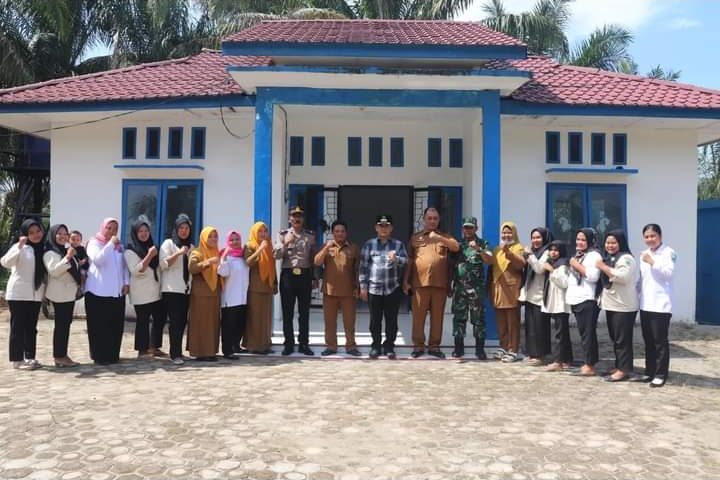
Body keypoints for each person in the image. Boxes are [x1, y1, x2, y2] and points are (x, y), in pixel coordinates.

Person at [404, 207, 460, 359]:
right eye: (429, 218)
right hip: (419, 284)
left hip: (440, 284)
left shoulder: (445, 236)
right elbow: (410, 260)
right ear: (424, 220)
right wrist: (406, 281)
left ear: (439, 220)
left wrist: (440, 239)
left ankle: (434, 346)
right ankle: (418, 346)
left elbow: (456, 247)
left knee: (437, 318)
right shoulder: (416, 238)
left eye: (435, 218)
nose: (432, 221)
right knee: (418, 317)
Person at [359, 214, 408, 359]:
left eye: (387, 226)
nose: (384, 228)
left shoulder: (398, 245)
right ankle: (376, 346)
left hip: (392, 288)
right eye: (381, 226)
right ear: (376, 228)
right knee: (375, 320)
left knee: (391, 320)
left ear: (391, 228)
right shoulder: (369, 244)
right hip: (374, 289)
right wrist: (363, 287)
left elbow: (406, 261)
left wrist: (396, 258)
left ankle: (389, 346)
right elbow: (363, 267)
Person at [1, 219, 46, 370]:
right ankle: (17, 360)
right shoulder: (20, 247)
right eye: (31, 232)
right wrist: (19, 247)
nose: (35, 235)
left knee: (31, 327)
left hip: (36, 294)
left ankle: (30, 357)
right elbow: (5, 262)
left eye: (38, 231)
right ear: (25, 234)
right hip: (18, 294)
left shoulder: (43, 248)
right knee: (18, 327)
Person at [274, 206, 317, 356]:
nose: (297, 219)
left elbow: (313, 258)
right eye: (294, 216)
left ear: (303, 219)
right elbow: (276, 256)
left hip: (305, 275)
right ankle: (289, 344)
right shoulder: (282, 235)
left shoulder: (310, 235)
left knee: (304, 312)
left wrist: (315, 277)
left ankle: (304, 343)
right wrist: (286, 243)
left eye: (299, 216)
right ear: (289, 219)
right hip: (288, 275)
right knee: (288, 312)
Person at [596, 229, 639, 382]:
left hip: (624, 306)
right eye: (607, 242)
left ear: (621, 243)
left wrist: (603, 267)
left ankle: (624, 370)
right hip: (612, 305)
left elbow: (623, 277)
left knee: (622, 339)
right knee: (615, 338)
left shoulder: (626, 258)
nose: (610, 245)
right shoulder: (610, 258)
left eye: (614, 242)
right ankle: (620, 365)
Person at [85, 218, 129, 365]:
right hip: (98, 292)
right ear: (103, 228)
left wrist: (126, 282)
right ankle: (99, 356)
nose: (111, 231)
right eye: (109, 228)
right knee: (99, 326)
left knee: (115, 325)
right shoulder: (94, 243)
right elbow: (98, 260)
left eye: (115, 229)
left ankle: (113, 354)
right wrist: (110, 244)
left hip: (116, 292)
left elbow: (124, 266)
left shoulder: (119, 247)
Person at [314, 220, 361, 357]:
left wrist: (357, 287)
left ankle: (351, 346)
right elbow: (317, 262)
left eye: (342, 231)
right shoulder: (327, 246)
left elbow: (357, 269)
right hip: (329, 291)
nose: (340, 234)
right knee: (329, 322)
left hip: (348, 291)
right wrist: (325, 249)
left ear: (346, 233)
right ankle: (331, 346)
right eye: (337, 231)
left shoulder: (353, 248)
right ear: (332, 233)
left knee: (349, 321)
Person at [638, 223, 676, 388]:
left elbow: (669, 274)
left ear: (660, 236)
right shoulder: (644, 253)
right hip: (645, 304)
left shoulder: (669, 252)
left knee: (660, 341)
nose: (650, 239)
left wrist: (652, 262)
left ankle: (661, 374)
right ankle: (650, 371)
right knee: (648, 341)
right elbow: (643, 279)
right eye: (646, 237)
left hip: (661, 304)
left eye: (653, 236)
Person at [449, 216, 492, 359]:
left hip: (476, 289)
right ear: (462, 229)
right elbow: (451, 266)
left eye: (470, 227)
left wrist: (478, 249)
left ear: (476, 228)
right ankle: (458, 349)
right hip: (460, 288)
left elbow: (490, 260)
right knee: (459, 318)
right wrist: (449, 285)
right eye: (465, 227)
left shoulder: (483, 243)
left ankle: (480, 350)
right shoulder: (458, 245)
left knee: (478, 319)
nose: (468, 230)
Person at [124, 219, 166, 360]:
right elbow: (136, 271)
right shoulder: (130, 250)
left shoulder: (153, 247)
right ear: (135, 233)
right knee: (143, 320)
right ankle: (142, 350)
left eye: (146, 231)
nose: (144, 234)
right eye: (140, 231)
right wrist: (149, 255)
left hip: (156, 290)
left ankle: (154, 346)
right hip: (141, 292)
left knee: (160, 317)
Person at [43, 224, 81, 367]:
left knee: (65, 325)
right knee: (61, 326)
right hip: (59, 295)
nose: (63, 236)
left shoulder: (64, 250)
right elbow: (54, 271)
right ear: (53, 235)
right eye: (59, 233)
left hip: (68, 294)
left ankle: (62, 355)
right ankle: (59, 356)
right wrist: (68, 257)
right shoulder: (50, 253)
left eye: (65, 234)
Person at [567, 228, 602, 376]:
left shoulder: (594, 255)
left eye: (583, 240)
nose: (579, 242)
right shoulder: (579, 255)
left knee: (588, 334)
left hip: (588, 299)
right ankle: (587, 362)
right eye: (578, 239)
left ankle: (590, 365)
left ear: (591, 241)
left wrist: (576, 265)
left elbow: (593, 276)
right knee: (583, 334)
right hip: (577, 298)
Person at [488, 221, 526, 363]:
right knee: (501, 321)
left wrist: (508, 253)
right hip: (498, 288)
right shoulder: (497, 249)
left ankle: (513, 349)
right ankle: (503, 346)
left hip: (511, 289)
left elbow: (520, 264)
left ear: (514, 233)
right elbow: (491, 264)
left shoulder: (518, 248)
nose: (506, 235)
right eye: (504, 232)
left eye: (509, 232)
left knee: (512, 322)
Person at [160, 214, 193, 365]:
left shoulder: (191, 246)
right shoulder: (169, 244)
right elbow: (163, 264)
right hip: (172, 289)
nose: (184, 231)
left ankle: (179, 352)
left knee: (182, 322)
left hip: (185, 290)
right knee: (175, 322)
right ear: (176, 229)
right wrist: (179, 253)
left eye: (186, 228)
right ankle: (174, 354)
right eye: (181, 228)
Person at [187, 226, 221, 361]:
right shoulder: (197, 252)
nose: (213, 239)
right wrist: (208, 262)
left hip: (214, 293)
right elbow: (192, 268)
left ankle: (210, 351)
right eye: (210, 236)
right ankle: (200, 352)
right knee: (201, 323)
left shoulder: (216, 252)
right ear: (203, 238)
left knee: (212, 323)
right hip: (201, 294)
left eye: (215, 236)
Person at [522, 227, 554, 366]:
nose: (535, 240)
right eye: (533, 237)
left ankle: (541, 355)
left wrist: (529, 255)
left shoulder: (547, 252)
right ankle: (532, 353)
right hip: (530, 294)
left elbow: (539, 269)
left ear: (544, 238)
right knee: (530, 326)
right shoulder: (534, 252)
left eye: (538, 237)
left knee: (540, 326)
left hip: (542, 294)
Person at [243, 222, 277, 355]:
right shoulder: (250, 245)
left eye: (265, 231)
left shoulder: (269, 246)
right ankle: (254, 345)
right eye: (260, 231)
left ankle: (265, 344)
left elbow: (272, 266)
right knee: (255, 318)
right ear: (254, 233)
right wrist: (260, 250)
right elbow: (248, 262)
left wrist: (275, 283)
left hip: (267, 287)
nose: (263, 234)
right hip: (255, 288)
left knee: (266, 318)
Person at [217, 230, 250, 359]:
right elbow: (223, 272)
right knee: (229, 325)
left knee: (240, 323)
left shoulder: (243, 257)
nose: (235, 242)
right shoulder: (225, 256)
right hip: (230, 297)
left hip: (242, 297)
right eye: (232, 240)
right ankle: (227, 350)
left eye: (237, 239)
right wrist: (224, 257)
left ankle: (236, 345)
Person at [542, 240, 573, 372]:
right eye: (551, 250)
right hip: (555, 302)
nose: (553, 253)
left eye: (556, 250)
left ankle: (558, 361)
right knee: (562, 332)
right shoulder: (554, 263)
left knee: (560, 333)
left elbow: (564, 283)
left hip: (561, 303)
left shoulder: (563, 265)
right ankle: (566, 359)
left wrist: (552, 271)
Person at [69, 230, 89, 298]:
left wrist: (83, 261)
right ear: (69, 240)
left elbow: (86, 257)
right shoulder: (68, 249)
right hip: (75, 268)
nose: (75, 241)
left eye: (78, 240)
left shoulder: (82, 248)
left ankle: (82, 288)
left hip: (83, 267)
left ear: (80, 241)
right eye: (73, 239)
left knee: (82, 274)